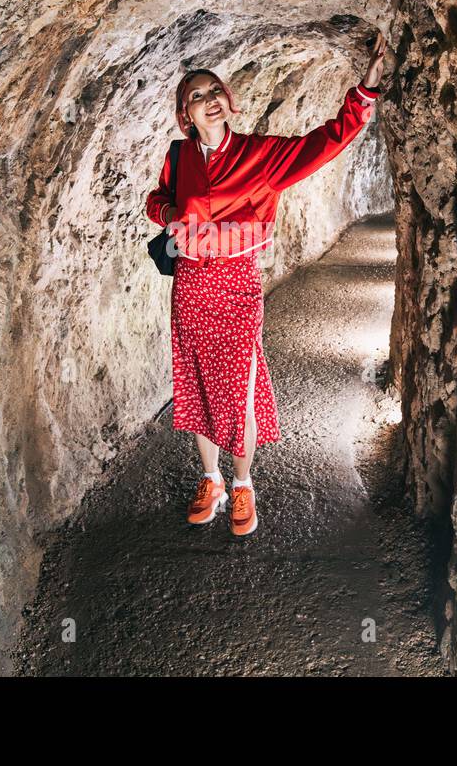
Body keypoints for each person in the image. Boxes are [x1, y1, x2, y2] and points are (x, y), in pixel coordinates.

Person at [145, 33, 389, 535]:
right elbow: (157, 200)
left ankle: (242, 485)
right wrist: (169, 213)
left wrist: (364, 92)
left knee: (237, 387)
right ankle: (210, 478)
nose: (210, 100)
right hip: (190, 282)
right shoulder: (180, 156)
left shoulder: (262, 156)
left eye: (216, 92)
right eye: (197, 96)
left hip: (236, 281)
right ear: (185, 114)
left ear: (228, 102)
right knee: (196, 384)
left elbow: (326, 141)